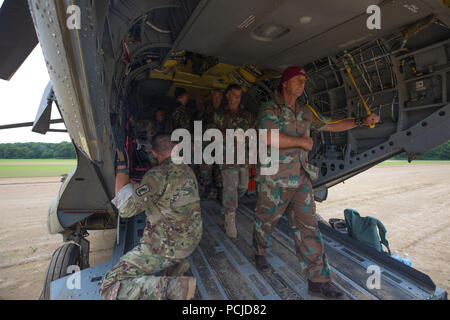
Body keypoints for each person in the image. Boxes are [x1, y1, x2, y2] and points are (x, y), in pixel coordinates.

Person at [252, 66, 380, 299]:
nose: (303, 83)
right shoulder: (270, 108)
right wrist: (301, 142)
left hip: (301, 178)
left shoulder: (306, 111)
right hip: (275, 179)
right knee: (266, 220)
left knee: (309, 228)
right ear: (285, 83)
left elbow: (331, 124)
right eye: (298, 80)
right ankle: (260, 251)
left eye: (304, 80)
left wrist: (361, 120)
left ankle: (319, 281)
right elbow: (268, 136)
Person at [99, 134, 202, 300]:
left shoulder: (156, 175)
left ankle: (175, 287)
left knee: (109, 285)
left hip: (167, 247)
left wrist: (121, 171)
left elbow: (125, 210)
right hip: (191, 240)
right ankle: (174, 267)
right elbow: (162, 191)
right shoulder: (187, 170)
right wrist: (137, 185)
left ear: (154, 153)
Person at [214, 84, 256, 238]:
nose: (237, 99)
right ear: (227, 96)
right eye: (234, 95)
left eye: (239, 96)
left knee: (243, 186)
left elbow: (253, 133)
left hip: (243, 157)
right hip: (227, 157)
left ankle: (228, 204)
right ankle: (229, 218)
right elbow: (212, 133)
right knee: (231, 187)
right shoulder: (219, 114)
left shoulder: (247, 115)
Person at [197, 89, 224, 199]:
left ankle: (220, 190)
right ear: (212, 96)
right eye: (214, 96)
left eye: (218, 97)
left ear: (222, 97)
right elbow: (198, 120)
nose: (216, 99)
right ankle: (206, 186)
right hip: (207, 139)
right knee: (206, 165)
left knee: (220, 165)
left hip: (221, 139)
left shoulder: (225, 108)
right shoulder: (206, 107)